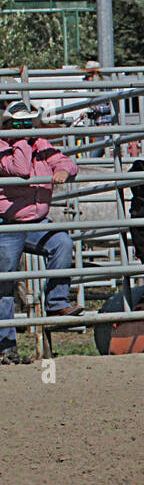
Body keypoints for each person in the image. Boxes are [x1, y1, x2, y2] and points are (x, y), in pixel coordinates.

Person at [0, 101, 82, 364]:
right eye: (21, 123)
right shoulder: (3, 147)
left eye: (30, 122)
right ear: (9, 125)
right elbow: (21, 169)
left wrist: (61, 170)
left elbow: (68, 163)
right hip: (7, 224)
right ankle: (6, 346)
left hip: (37, 222)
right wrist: (22, 140)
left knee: (62, 244)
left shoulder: (41, 145)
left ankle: (56, 302)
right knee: (5, 282)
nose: (28, 127)